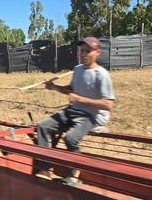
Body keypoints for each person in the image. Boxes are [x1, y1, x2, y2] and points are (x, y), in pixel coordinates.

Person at [35, 37, 115, 184]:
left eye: (88, 51)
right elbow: (71, 90)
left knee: (71, 138)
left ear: (97, 53)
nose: (83, 54)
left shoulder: (101, 75)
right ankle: (45, 169)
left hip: (92, 115)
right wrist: (54, 87)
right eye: (81, 50)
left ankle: (75, 172)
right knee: (42, 126)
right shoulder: (78, 70)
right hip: (74, 110)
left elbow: (108, 105)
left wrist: (80, 100)